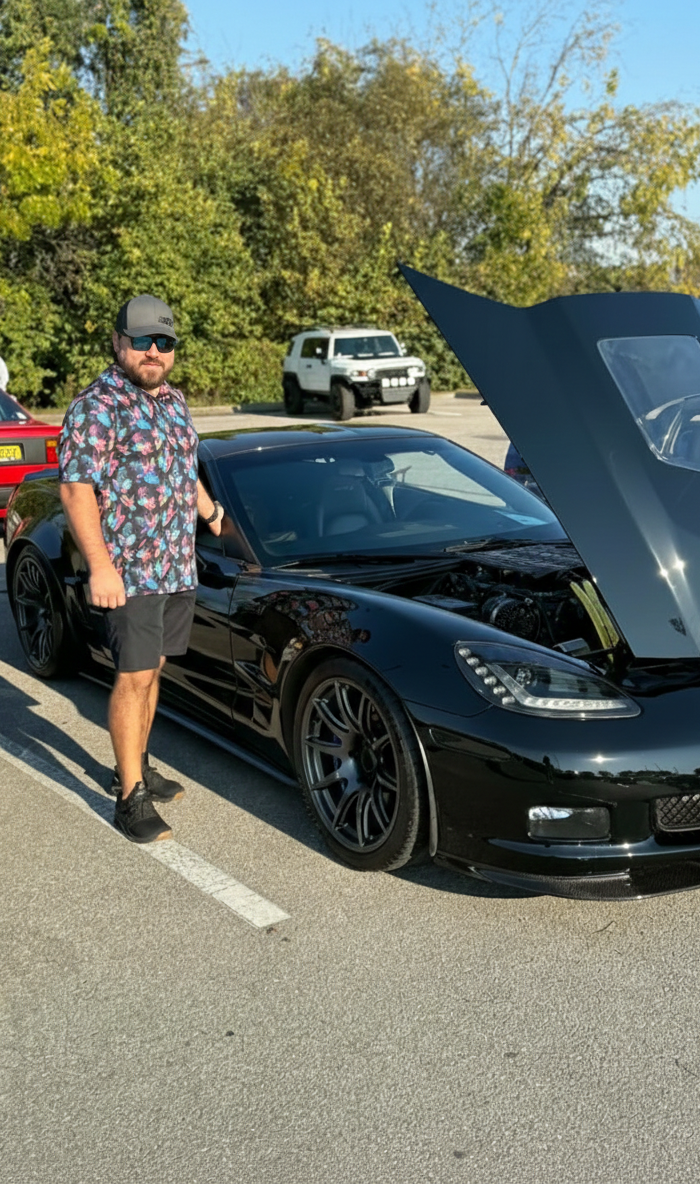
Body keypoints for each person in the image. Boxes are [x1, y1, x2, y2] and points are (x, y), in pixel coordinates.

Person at [58, 294, 224, 844]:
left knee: (152, 669)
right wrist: (101, 568)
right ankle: (128, 795)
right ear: (118, 342)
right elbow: (76, 488)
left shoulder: (173, 401)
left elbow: (181, 467)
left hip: (176, 565)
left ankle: (140, 763)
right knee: (131, 677)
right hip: (129, 570)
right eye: (143, 340)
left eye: (165, 342)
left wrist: (209, 510)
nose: (154, 352)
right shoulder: (96, 406)